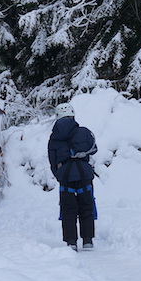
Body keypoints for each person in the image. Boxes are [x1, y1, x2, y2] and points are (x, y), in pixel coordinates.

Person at [47, 103, 98, 251]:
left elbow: (52, 160)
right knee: (86, 206)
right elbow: (94, 149)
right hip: (84, 173)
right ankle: (87, 240)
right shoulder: (83, 132)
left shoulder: (54, 137)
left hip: (65, 175)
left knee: (68, 209)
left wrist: (58, 175)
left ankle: (71, 242)